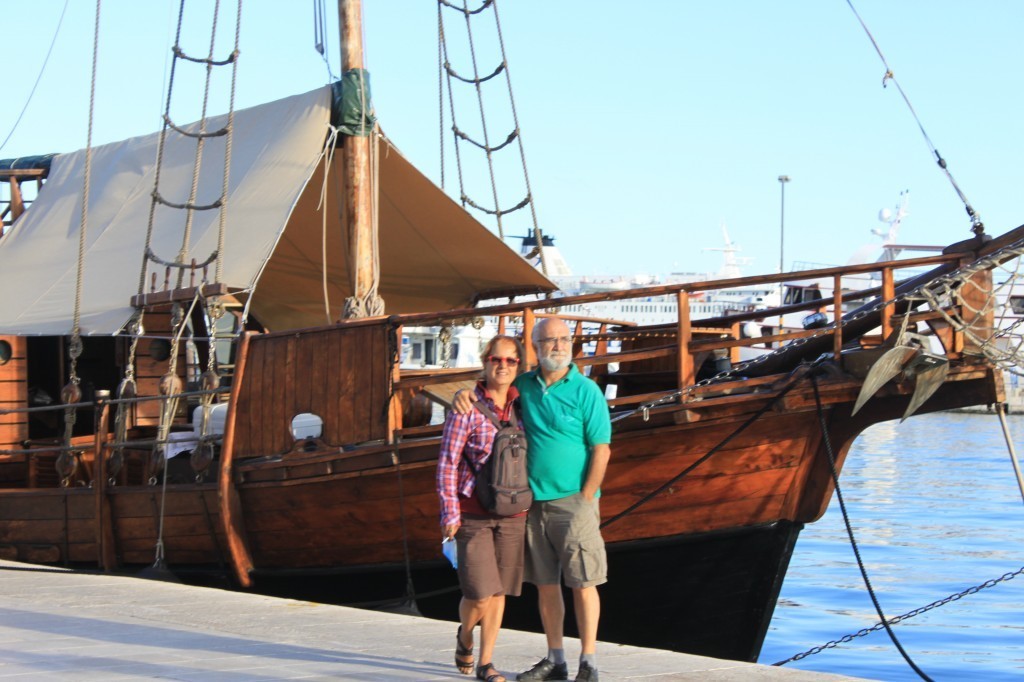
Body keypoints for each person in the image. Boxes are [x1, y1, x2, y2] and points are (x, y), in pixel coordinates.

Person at [454, 317, 612, 682]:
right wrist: (463, 393)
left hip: (574, 501)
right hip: (531, 503)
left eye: (563, 339)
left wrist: (587, 496)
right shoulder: (523, 386)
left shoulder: (586, 391)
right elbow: (490, 390)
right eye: (549, 340)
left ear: (571, 344)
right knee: (545, 584)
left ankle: (588, 663)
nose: (557, 346)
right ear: (536, 347)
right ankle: (556, 659)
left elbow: (601, 449)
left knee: (583, 582)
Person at [437, 334, 528, 682]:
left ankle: (486, 663)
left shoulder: (523, 406)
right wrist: (449, 512)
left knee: (499, 590)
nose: (502, 366)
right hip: (473, 511)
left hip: (513, 512)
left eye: (510, 360)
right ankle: (465, 635)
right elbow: (447, 462)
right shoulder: (467, 407)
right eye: (496, 359)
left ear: (518, 365)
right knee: (478, 592)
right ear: (485, 362)